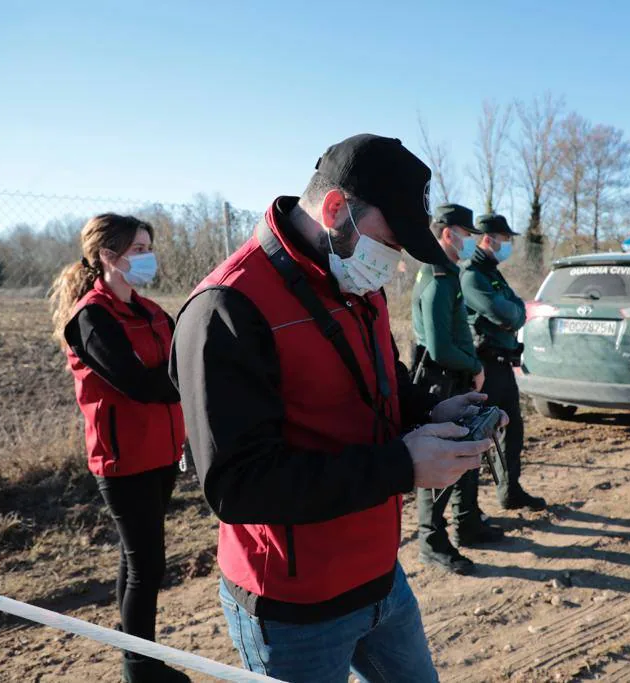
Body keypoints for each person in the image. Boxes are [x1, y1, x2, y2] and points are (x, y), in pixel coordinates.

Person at [169, 134, 501, 683]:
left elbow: (381, 382)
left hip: (379, 577)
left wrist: (431, 413)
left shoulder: (355, 278)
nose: (392, 265)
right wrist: (402, 465)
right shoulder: (226, 307)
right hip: (294, 609)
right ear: (333, 210)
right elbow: (236, 486)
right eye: (389, 243)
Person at [49, 214, 189, 683]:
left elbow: (181, 357)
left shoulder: (149, 311)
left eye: (149, 247)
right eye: (139, 249)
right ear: (109, 256)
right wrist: (190, 382)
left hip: (162, 453)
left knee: (137, 562)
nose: (149, 257)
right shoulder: (92, 317)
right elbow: (139, 384)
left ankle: (135, 656)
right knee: (147, 565)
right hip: (123, 460)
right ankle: (140, 667)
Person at [411, 203, 505, 576]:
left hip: (457, 378)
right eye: (466, 234)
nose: (471, 241)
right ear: (448, 234)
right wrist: (475, 365)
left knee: (467, 453)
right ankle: (432, 541)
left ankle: (468, 523)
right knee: (442, 459)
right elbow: (438, 346)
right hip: (442, 382)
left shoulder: (448, 274)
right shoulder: (437, 278)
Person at [461, 213, 547, 511]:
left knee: (514, 430)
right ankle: (469, 513)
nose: (507, 245)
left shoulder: (492, 273)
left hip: (502, 363)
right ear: (489, 239)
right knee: (480, 434)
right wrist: (512, 315)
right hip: (485, 366)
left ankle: (510, 491)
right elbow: (505, 313)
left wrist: (513, 314)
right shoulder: (472, 275)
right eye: (505, 240)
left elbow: (518, 310)